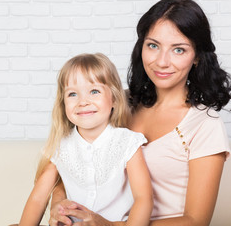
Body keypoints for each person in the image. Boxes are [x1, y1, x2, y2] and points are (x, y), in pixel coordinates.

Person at [49, 0, 231, 226]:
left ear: (197, 56)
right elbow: (72, 166)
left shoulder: (204, 125)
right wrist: (58, 203)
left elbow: (195, 221)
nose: (162, 62)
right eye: (153, 46)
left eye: (178, 50)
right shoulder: (116, 103)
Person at [18, 53, 153, 226]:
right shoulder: (60, 147)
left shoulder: (127, 142)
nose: (83, 101)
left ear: (114, 99)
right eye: (72, 94)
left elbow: (144, 199)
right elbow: (37, 199)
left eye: (94, 91)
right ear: (63, 103)